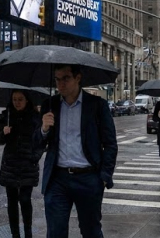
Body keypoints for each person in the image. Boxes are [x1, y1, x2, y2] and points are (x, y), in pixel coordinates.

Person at [34, 64, 118, 238]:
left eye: (66, 78)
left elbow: (110, 144)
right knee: (55, 233)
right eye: (57, 79)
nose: (60, 84)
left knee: (91, 231)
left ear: (78, 78)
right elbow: (36, 144)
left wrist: (103, 178)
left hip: (88, 178)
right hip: (57, 179)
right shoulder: (49, 106)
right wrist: (44, 129)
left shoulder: (97, 105)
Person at [0, 91, 43, 238]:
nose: (17, 102)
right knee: (12, 201)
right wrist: (4, 133)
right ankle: (15, 234)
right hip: (10, 164)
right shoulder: (6, 116)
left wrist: (34, 157)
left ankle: (28, 233)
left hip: (28, 165)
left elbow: (41, 141)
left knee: (25, 199)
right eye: (14, 99)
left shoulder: (35, 117)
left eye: (20, 99)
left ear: (27, 100)